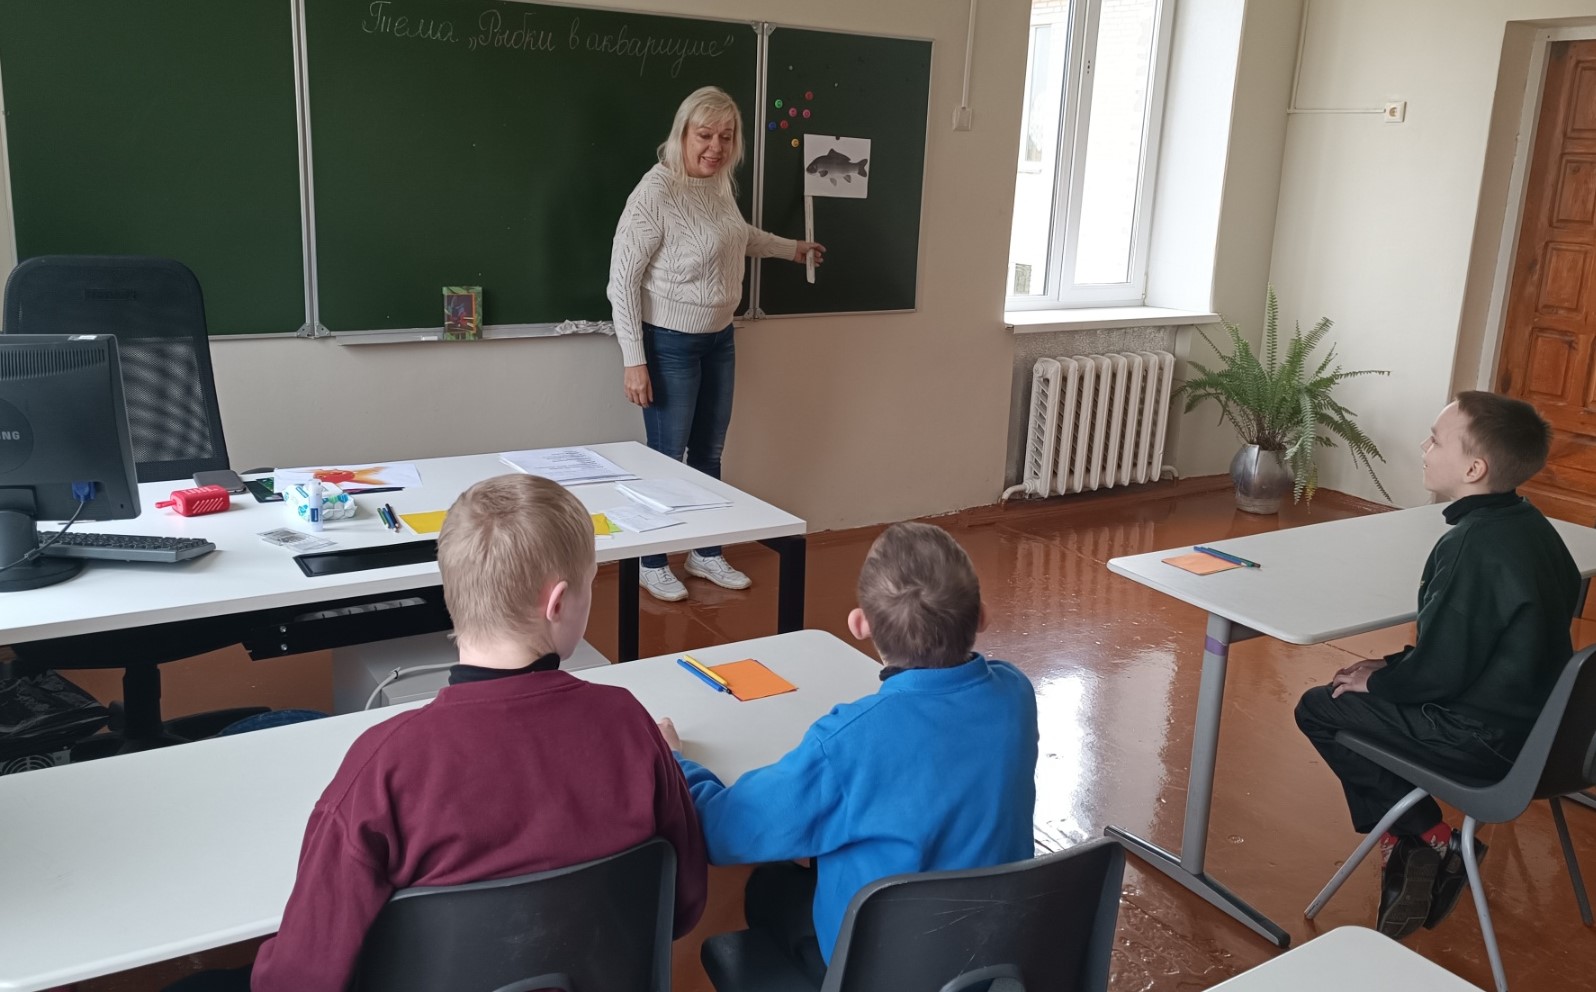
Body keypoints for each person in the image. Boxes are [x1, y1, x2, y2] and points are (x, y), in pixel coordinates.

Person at [169, 475, 707, 992]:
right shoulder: (628, 723)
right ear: (559, 602)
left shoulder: (385, 765)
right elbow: (680, 906)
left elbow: (299, 981)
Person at [657, 522, 1038, 982]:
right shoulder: (1016, 695)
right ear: (982, 617)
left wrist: (676, 763)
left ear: (860, 625)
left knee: (769, 885)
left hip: (880, 970)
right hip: (994, 955)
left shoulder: (847, 743)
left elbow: (722, 833)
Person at [1295, 391, 1579, 940]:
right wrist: (1387, 664)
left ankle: (1428, 836)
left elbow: (1441, 673)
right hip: (1547, 739)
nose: (1423, 447)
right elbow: (1480, 646)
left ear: (1474, 469)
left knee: (1321, 706)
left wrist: (1379, 679)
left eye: (1436, 439)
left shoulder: (1470, 545)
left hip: (1482, 740)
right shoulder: (1535, 529)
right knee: (1366, 687)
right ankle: (1413, 842)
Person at [608, 85, 824, 603]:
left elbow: (737, 236)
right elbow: (622, 283)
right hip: (668, 344)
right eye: (705, 136)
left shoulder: (718, 185)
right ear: (682, 133)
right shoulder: (654, 193)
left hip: (719, 338)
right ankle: (651, 560)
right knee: (667, 457)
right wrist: (635, 360)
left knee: (709, 451)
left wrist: (791, 249)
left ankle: (705, 551)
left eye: (726, 137)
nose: (716, 147)